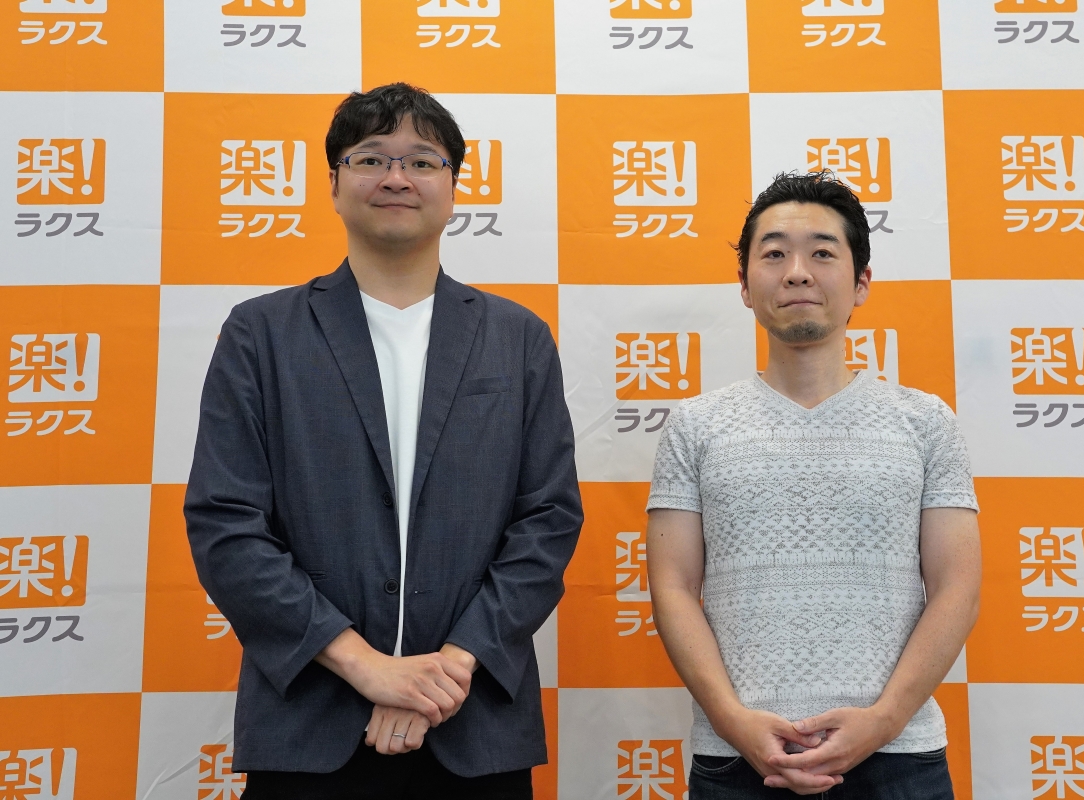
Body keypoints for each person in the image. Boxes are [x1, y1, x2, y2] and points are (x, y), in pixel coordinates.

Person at [185, 82, 582, 799]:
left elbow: (548, 521)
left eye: (422, 161)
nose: (397, 177)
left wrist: (448, 667)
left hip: (473, 727)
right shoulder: (261, 334)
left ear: (454, 189)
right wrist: (364, 665)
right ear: (334, 185)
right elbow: (226, 522)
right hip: (309, 729)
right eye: (370, 158)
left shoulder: (517, 338)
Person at [645, 171, 981, 798]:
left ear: (861, 283)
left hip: (898, 758)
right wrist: (733, 721)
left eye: (823, 253)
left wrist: (883, 721)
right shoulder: (696, 425)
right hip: (737, 760)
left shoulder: (925, 421)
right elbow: (673, 586)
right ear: (744, 284)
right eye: (774, 254)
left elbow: (956, 587)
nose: (797, 273)